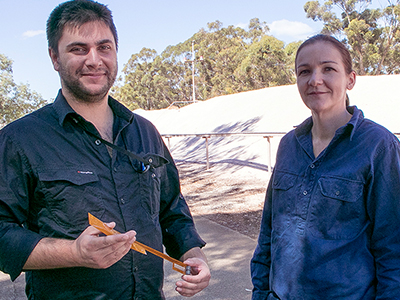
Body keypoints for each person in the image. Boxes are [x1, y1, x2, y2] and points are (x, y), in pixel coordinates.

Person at [0, 0, 210, 299]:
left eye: (104, 47)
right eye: (78, 49)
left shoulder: (145, 132)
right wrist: (73, 252)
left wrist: (194, 256)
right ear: (54, 57)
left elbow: (172, 210)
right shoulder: (20, 139)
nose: (94, 60)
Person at [251, 34, 400, 299]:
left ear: (350, 79)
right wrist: (260, 292)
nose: (315, 80)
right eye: (304, 71)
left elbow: (394, 247)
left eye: (328, 69)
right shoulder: (288, 145)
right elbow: (268, 232)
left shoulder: (379, 145)